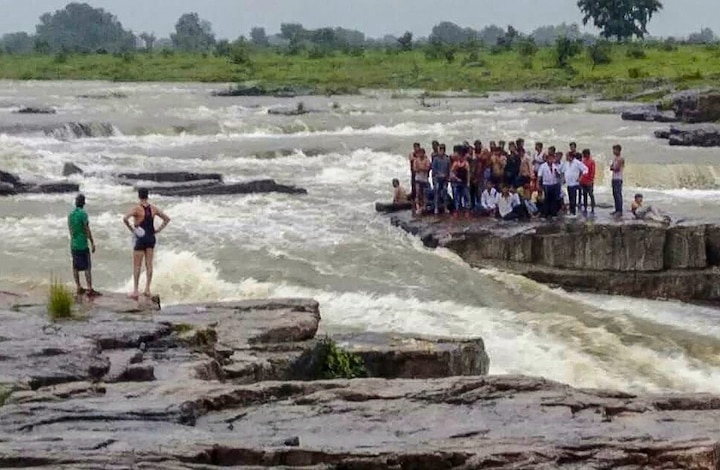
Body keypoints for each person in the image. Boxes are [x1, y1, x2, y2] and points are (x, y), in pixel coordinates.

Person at [123, 188, 171, 300]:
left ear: (139, 196)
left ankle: (135, 290)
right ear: (147, 196)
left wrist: (131, 229)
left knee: (137, 265)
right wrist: (158, 230)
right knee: (149, 264)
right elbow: (167, 219)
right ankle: (147, 289)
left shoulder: (137, 209)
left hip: (140, 238)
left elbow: (125, 219)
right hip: (151, 237)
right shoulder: (153, 208)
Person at [68, 194, 98, 296]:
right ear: (83, 203)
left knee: (75, 267)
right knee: (87, 267)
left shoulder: (71, 215)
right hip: (82, 244)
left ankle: (78, 286)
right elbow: (86, 229)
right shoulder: (83, 214)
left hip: (74, 244)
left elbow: (70, 230)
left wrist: (73, 240)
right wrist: (92, 242)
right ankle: (89, 288)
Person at [563, 152, 588, 216]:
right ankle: (571, 211)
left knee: (573, 198)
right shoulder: (566, 163)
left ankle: (573, 213)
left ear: (570, 156)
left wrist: (580, 177)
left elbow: (585, 169)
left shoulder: (577, 163)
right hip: (568, 183)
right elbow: (563, 171)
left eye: (567, 156)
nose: (566, 158)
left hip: (574, 183)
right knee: (570, 198)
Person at [537, 152, 562, 218]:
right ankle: (545, 214)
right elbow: (539, 176)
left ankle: (553, 213)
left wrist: (557, 173)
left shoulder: (555, 166)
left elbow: (559, 175)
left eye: (552, 159)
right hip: (546, 184)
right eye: (549, 159)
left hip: (554, 184)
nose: (551, 160)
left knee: (554, 199)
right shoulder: (543, 166)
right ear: (547, 159)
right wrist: (538, 184)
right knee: (547, 199)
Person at [450, 146, 470, 216]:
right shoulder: (456, 163)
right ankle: (457, 210)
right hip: (457, 182)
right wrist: (456, 178)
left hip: (464, 182)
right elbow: (451, 172)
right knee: (457, 197)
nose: (461, 157)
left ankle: (466, 210)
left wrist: (468, 182)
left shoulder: (466, 163)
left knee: (466, 196)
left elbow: (468, 173)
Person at [431, 144, 451, 214]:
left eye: (442, 150)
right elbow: (433, 169)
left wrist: (448, 177)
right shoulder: (436, 159)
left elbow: (449, 169)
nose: (441, 151)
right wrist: (436, 176)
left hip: (445, 179)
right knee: (437, 193)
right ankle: (436, 208)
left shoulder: (447, 159)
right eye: (440, 150)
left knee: (445, 192)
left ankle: (445, 207)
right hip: (437, 179)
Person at [412, 148, 431, 214]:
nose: (420, 154)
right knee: (418, 193)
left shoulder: (427, 160)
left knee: (424, 194)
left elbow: (427, 168)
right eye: (419, 153)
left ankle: (424, 207)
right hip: (418, 179)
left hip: (424, 179)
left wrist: (420, 168)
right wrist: (422, 168)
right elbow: (415, 169)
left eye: (421, 153)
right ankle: (418, 207)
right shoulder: (416, 160)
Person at [579, 149, 596, 215]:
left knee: (591, 194)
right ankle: (585, 207)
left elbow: (593, 172)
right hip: (583, 181)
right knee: (584, 194)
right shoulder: (583, 161)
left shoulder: (592, 161)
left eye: (584, 154)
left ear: (587, 154)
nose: (583, 155)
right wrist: (580, 179)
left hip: (589, 181)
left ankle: (592, 207)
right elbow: (581, 171)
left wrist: (591, 180)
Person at [610, 144, 625, 216]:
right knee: (615, 194)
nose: (613, 151)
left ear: (618, 150)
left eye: (615, 149)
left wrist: (613, 167)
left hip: (618, 178)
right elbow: (611, 167)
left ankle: (620, 210)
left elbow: (616, 169)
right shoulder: (615, 158)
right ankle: (616, 209)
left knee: (618, 194)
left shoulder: (620, 158)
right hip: (614, 178)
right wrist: (612, 167)